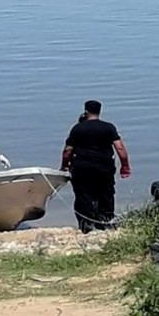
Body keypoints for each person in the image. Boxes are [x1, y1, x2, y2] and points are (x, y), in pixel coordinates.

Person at [60, 100, 131, 234]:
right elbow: (120, 148)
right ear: (99, 111)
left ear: (86, 112)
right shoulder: (109, 127)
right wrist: (125, 166)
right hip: (104, 167)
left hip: (82, 168)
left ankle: (87, 225)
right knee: (106, 193)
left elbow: (67, 151)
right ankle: (106, 221)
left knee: (83, 195)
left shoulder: (77, 128)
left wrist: (64, 166)